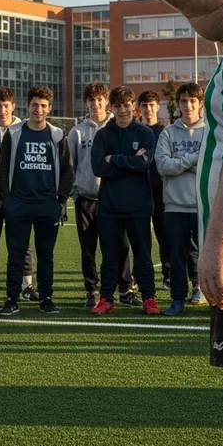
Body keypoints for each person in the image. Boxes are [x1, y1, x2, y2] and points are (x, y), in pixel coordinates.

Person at [0, 85, 73, 315]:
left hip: (47, 205)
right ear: (27, 106)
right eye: (34, 105)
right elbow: (2, 169)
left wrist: (59, 199)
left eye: (43, 105)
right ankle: (11, 299)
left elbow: (68, 170)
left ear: (49, 108)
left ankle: (46, 299)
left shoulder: (58, 135)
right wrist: (7, 201)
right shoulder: (14, 132)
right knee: (15, 256)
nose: (38, 109)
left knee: (46, 256)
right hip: (18, 205)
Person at [90, 86, 161, 316]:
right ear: (111, 107)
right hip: (110, 207)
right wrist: (130, 160)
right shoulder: (102, 135)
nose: (122, 110)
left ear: (134, 107)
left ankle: (149, 298)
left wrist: (115, 160)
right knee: (110, 256)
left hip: (139, 206)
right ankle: (106, 298)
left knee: (143, 255)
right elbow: (98, 167)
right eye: (118, 106)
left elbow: (145, 164)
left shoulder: (145, 134)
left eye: (126, 105)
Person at [68, 82, 137, 309]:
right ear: (85, 103)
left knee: (120, 246)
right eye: (91, 100)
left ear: (106, 101)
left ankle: (125, 288)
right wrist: (75, 193)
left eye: (100, 99)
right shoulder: (77, 132)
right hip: (86, 199)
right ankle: (92, 290)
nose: (95, 104)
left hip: (112, 198)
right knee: (88, 248)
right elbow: (71, 166)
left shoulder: (117, 127)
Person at [0, 87, 37, 303]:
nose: (2, 110)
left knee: (23, 244)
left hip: (17, 199)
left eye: (6, 105)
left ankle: (27, 286)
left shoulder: (24, 129)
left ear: (13, 106)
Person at [155, 82, 206, 315]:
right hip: (175, 205)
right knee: (176, 257)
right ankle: (177, 299)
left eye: (193, 101)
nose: (188, 105)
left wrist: (182, 161)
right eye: (184, 101)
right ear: (179, 104)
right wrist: (193, 160)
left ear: (200, 104)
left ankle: (203, 291)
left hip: (202, 205)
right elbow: (163, 166)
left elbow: (211, 166)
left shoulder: (209, 131)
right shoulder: (168, 132)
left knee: (204, 254)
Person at [137, 90, 170, 288]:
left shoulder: (165, 131)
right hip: (138, 191)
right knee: (139, 237)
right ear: (139, 109)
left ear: (158, 107)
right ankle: (138, 274)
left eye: (151, 105)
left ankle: (168, 274)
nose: (148, 109)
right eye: (144, 106)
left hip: (160, 192)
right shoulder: (135, 131)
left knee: (164, 235)